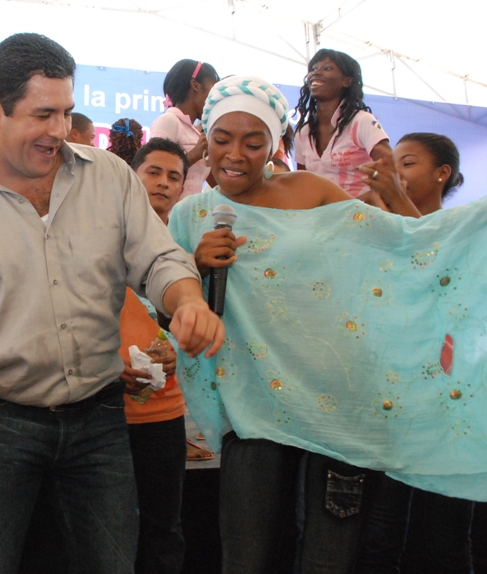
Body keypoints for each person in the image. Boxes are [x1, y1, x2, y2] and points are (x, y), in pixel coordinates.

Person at [0, 33, 224, 574]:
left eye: (66, 112)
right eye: (43, 114)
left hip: (100, 419)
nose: (59, 129)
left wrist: (188, 300)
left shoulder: (110, 178)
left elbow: (158, 260)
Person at [169, 75, 399, 574]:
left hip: (336, 398)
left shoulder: (310, 190)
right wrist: (195, 265)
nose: (235, 155)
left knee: (327, 561)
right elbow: (167, 311)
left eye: (254, 143)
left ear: (274, 144)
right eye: (222, 139)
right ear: (205, 139)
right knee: (246, 558)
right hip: (252, 407)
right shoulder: (191, 216)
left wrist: (398, 196)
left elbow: (392, 252)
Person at [355, 133, 473, 574]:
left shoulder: (462, 228)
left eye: (408, 164)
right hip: (390, 405)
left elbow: (435, 271)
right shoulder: (378, 230)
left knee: (444, 542)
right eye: (393, 165)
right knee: (378, 538)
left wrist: (395, 200)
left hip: (447, 411)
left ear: (442, 173)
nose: (396, 173)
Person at [121, 137, 189, 573]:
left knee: (163, 529)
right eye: (153, 172)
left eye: (174, 176)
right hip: (104, 412)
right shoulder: (100, 238)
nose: (163, 183)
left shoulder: (187, 248)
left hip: (165, 413)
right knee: (107, 532)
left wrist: (180, 353)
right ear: (131, 176)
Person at [294, 49, 394, 197]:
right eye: (313, 69)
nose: (316, 73)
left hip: (362, 209)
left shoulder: (361, 121)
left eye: (327, 68)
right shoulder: (304, 132)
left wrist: (361, 203)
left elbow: (391, 169)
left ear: (347, 81)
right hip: (320, 211)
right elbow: (302, 183)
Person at [150, 59, 219, 198]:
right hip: (169, 211)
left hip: (191, 211)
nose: (214, 99)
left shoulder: (194, 132)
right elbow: (154, 167)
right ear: (195, 86)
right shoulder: (168, 120)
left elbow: (217, 184)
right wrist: (195, 153)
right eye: (212, 91)